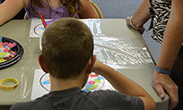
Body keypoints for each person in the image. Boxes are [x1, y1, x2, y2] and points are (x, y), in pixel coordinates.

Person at [10, 18, 156, 110]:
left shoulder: (20, 108)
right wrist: (101, 67)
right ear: (90, 63)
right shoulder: (107, 101)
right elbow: (149, 102)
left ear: (43, 64)